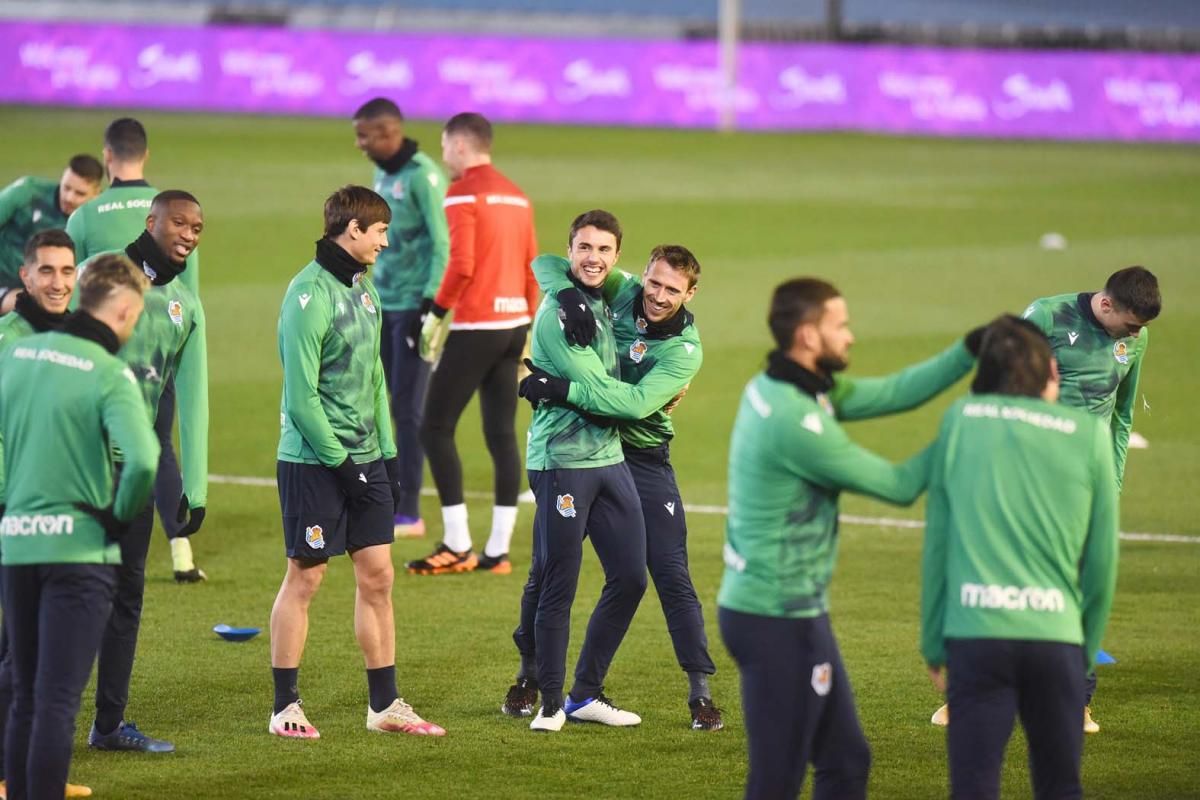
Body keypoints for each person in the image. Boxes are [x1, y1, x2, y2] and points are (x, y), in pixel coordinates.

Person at [717, 278, 980, 800]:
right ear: (809, 336)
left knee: (845, 760)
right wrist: (970, 426)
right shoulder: (796, 422)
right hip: (776, 619)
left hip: (787, 612)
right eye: (841, 325)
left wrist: (969, 350)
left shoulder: (784, 385)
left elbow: (894, 392)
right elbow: (901, 485)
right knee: (778, 779)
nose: (852, 336)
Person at [929, 265, 1160, 733]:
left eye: (1142, 329)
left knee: (1076, 593)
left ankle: (1076, 702)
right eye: (1131, 325)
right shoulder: (1048, 316)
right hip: (1023, 476)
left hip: (1081, 487)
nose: (1136, 334)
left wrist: (1111, 485)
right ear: (1107, 303)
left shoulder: (1136, 340)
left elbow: (1122, 416)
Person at [514, 244, 723, 730]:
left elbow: (631, 405)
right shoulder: (625, 288)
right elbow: (544, 262)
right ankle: (527, 680)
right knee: (546, 570)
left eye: (673, 289)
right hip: (585, 450)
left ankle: (699, 695)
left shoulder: (683, 352)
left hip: (643, 459)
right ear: (643, 275)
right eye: (655, 283)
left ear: (691, 294)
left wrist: (563, 388)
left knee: (668, 572)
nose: (658, 296)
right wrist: (566, 294)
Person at [268, 185, 444, 740]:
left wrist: (388, 457)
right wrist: (343, 463)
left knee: (379, 576)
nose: (386, 243)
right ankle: (284, 708)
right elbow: (301, 398)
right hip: (313, 461)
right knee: (307, 575)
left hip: (365, 458)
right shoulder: (309, 295)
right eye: (380, 232)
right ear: (353, 230)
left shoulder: (364, 291)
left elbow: (374, 379)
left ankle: (385, 705)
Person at [920, 315, 1119, 800]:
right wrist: (1084, 647)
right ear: (1053, 370)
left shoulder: (964, 421)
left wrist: (933, 644)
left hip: (977, 634)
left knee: (974, 785)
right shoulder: (1088, 435)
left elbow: (938, 545)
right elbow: (1102, 561)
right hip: (1055, 640)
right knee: (1058, 785)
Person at [0, 253, 157, 800]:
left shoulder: (15, 354)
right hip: (79, 554)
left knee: (23, 692)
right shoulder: (109, 371)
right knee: (57, 703)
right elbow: (142, 460)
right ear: (121, 308)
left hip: (16, 547)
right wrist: (116, 521)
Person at [75, 190, 209, 755]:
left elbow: (192, 394)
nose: (190, 232)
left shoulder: (186, 305)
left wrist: (193, 487)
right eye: (179, 222)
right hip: (77, 472)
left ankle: (109, 724)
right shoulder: (96, 279)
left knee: (126, 596)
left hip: (136, 475)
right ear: (150, 221)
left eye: (198, 226)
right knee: (54, 591)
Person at [505, 210, 648, 733]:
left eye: (604, 250)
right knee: (558, 580)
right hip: (562, 461)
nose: (593, 258)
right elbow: (610, 398)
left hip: (609, 460)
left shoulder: (606, 293)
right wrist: (642, 401)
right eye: (584, 248)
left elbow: (540, 262)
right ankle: (547, 703)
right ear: (572, 251)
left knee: (631, 576)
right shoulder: (558, 315)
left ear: (615, 256)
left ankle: (585, 694)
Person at [66, 116, 206, 583]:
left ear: (107, 156)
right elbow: (191, 301)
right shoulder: (176, 210)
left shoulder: (86, 215)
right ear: (144, 153)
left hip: (98, 373)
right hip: (160, 356)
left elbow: (63, 297)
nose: (188, 234)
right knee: (157, 446)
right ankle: (181, 549)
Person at [406, 112, 538, 576]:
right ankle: (497, 552)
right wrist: (525, 323)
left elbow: (461, 264)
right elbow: (530, 269)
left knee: (434, 428)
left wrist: (436, 312)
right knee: (500, 433)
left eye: (444, 147)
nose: (443, 157)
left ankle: (458, 543)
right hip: (513, 325)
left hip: (475, 326)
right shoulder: (518, 196)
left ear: (460, 146)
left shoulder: (462, 191)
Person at [0, 229, 95, 799]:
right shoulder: (7, 340)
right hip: (14, 508)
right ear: (26, 277)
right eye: (47, 272)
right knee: (18, 652)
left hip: (60, 515)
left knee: (37, 651)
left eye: (67, 271)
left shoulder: (81, 339)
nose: (58, 283)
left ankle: (35, 774)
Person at [352, 98, 449, 539]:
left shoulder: (425, 178)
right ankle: (386, 496)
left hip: (413, 307)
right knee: (382, 402)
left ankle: (408, 510)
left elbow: (444, 244)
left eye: (365, 135)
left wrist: (430, 305)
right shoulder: (384, 173)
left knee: (408, 409)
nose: (359, 143)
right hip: (383, 302)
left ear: (389, 132)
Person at [0, 155, 102, 312]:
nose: (69, 198)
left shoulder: (95, 222)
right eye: (66, 187)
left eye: (79, 193)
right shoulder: (27, 191)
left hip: (47, 289)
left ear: (96, 195)